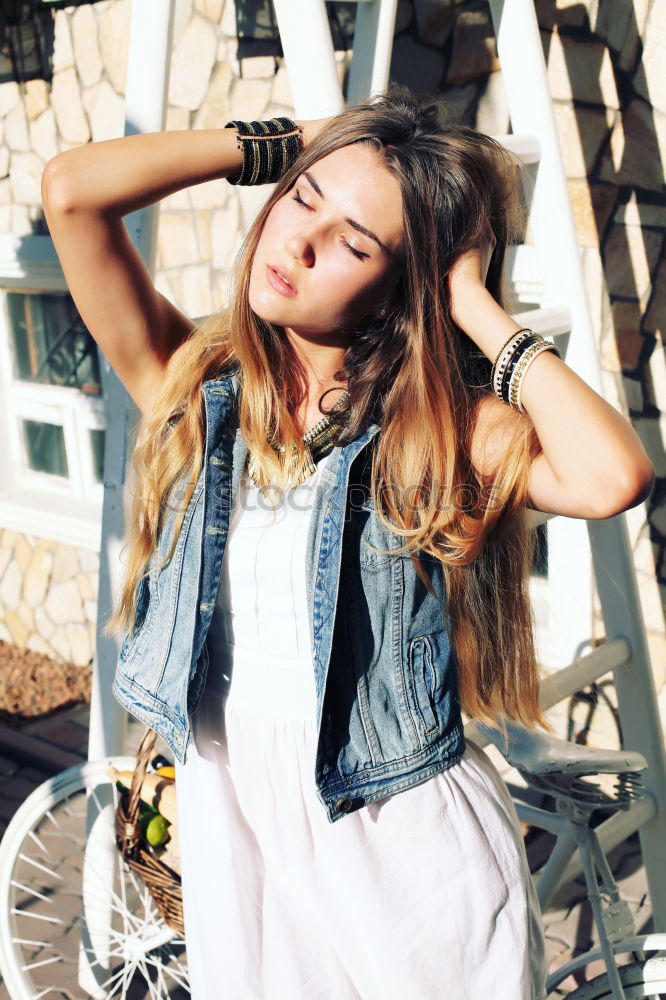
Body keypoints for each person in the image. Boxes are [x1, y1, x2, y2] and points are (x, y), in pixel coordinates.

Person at [42, 85, 654, 999]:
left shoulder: (439, 439)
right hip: (238, 843)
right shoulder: (202, 392)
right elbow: (70, 191)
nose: (299, 242)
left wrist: (472, 303)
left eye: (354, 243)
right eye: (301, 201)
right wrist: (296, 145)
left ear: (397, 289)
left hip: (401, 850)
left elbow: (616, 475)